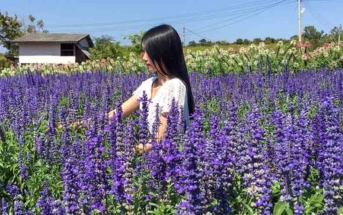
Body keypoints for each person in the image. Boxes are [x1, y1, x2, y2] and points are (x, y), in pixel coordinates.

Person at [71, 24, 195, 152]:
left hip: (172, 161)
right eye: (143, 52)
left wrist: (126, 153)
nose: (144, 57)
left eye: (149, 52)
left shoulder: (175, 86)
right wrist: (74, 125)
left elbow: (161, 139)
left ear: (163, 53)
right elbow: (115, 114)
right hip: (154, 158)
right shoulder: (148, 84)